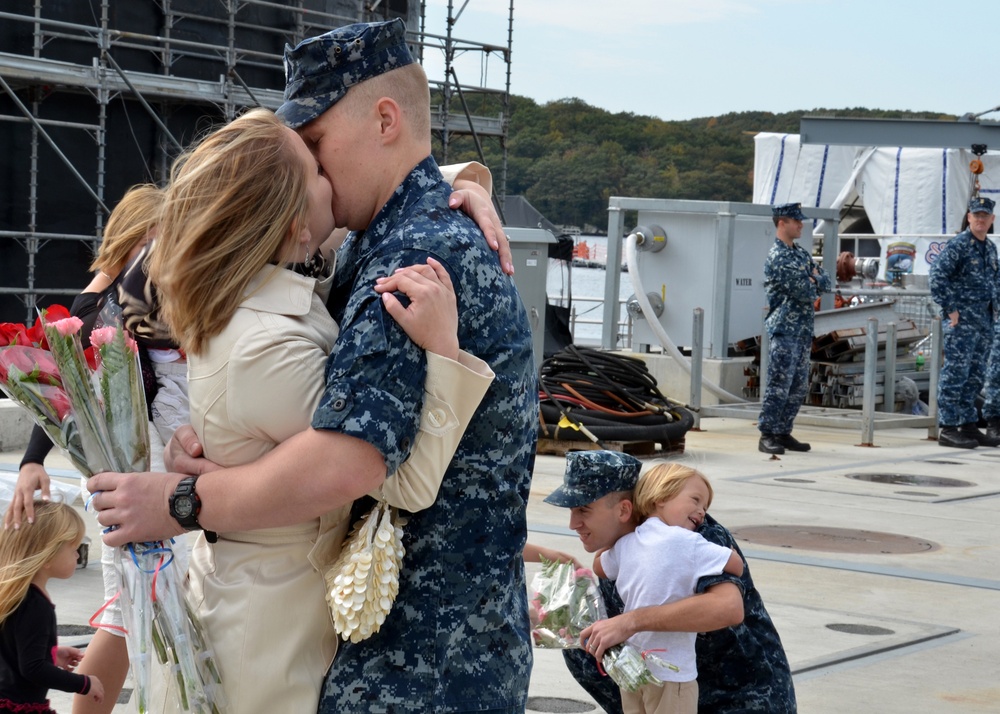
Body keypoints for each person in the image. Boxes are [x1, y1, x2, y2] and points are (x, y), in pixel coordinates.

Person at [89, 18, 537, 714]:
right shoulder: (382, 239)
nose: (318, 169)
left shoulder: (409, 258)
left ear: (384, 119)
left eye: (319, 144)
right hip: (420, 647)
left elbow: (350, 462)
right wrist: (459, 178)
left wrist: (181, 501)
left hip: (417, 665)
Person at [144, 107, 495, 713]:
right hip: (270, 637)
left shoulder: (252, 297)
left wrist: (462, 184)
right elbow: (396, 482)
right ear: (290, 225)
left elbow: (380, 190)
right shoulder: (269, 349)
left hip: (259, 601)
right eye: (313, 165)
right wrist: (446, 353)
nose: (330, 172)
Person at [3, 184, 162, 714]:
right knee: (135, 610)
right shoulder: (118, 305)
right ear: (142, 238)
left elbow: (66, 394)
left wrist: (30, 460)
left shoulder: (90, 300)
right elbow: (73, 394)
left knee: (125, 614)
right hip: (142, 472)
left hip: (123, 472)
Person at [545, 450, 796, 714]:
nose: (573, 523)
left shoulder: (690, 533)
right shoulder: (621, 547)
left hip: (739, 694)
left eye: (584, 509)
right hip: (660, 682)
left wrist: (629, 622)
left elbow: (728, 608)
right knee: (575, 634)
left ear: (624, 510)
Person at [592, 463, 742, 714]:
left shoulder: (627, 542)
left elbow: (599, 566)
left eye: (704, 507)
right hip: (672, 671)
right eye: (695, 500)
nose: (702, 512)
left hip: (632, 666)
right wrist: (728, 549)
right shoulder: (689, 541)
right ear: (660, 496)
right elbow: (736, 565)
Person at [0, 501, 105, 712]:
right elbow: (33, 668)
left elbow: (13, 649)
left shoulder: (15, 595)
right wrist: (83, 683)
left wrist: (50, 655)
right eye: (73, 548)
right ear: (47, 556)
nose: (77, 555)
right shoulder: (35, 606)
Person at [758, 202, 830, 455]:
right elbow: (804, 292)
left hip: (801, 329)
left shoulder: (800, 254)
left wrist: (815, 278)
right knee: (779, 383)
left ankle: (783, 431)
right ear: (781, 223)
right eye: (795, 220)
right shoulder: (778, 257)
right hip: (784, 328)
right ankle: (767, 433)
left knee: (798, 386)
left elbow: (826, 279)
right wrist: (812, 280)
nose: (801, 225)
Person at [929, 196, 1000, 449]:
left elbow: (995, 283)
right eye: (976, 215)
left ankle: (968, 424)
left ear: (992, 220)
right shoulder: (959, 245)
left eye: (985, 216)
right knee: (956, 373)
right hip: (962, 323)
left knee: (975, 375)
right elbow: (937, 276)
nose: (980, 220)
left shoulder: (989, 248)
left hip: (984, 323)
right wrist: (950, 308)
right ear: (969, 217)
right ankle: (948, 428)